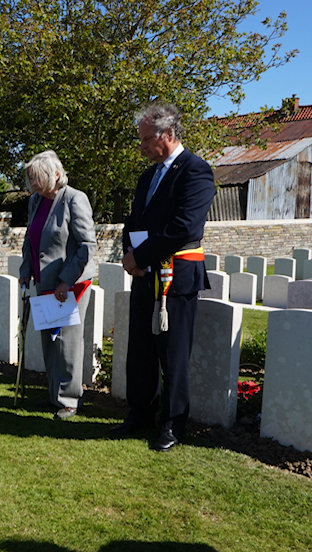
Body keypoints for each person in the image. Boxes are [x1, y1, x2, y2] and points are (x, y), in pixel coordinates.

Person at [109, 103, 215, 451]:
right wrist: (131, 256)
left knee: (173, 354)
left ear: (167, 135)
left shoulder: (195, 171)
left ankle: (171, 424)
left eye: (145, 140)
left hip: (176, 275)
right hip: (144, 274)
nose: (140, 147)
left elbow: (184, 226)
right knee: (140, 349)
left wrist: (139, 255)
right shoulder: (147, 176)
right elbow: (133, 221)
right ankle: (140, 413)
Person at [18, 151, 98, 420]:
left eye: (37, 177)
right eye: (31, 178)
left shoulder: (74, 199)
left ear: (55, 174)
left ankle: (70, 400)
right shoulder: (35, 202)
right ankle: (55, 396)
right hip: (45, 282)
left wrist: (66, 280)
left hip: (69, 284)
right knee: (50, 342)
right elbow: (31, 240)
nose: (34, 183)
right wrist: (25, 270)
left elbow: (87, 245)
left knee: (67, 342)